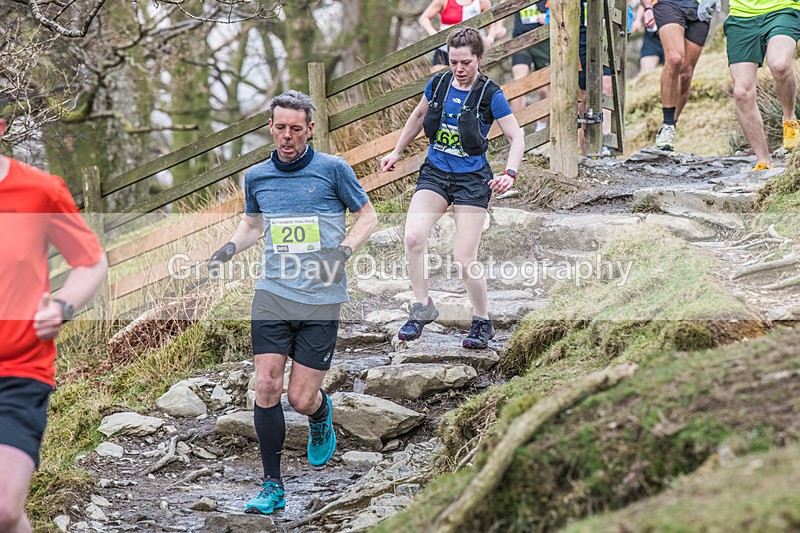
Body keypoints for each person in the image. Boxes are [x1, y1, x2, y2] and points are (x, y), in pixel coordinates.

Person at [208, 90, 377, 515]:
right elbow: (252, 223)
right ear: (270, 127)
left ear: (310, 129)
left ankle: (321, 415)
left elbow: (369, 216)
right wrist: (229, 248)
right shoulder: (258, 176)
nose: (287, 136)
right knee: (265, 386)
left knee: (301, 399)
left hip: (321, 297)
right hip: (273, 293)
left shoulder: (333, 170)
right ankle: (272, 485)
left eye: (296, 129)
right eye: (280, 127)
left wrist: (343, 251)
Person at [380, 27, 524, 350]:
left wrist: (509, 173)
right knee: (414, 237)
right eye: (453, 61)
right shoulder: (439, 84)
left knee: (463, 258)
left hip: (472, 180)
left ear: (479, 59)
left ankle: (482, 320)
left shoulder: (490, 94)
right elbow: (418, 115)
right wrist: (397, 151)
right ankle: (423, 307)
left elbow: (517, 137)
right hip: (435, 172)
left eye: (466, 63)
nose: (459, 69)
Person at [0, 116, 108, 533]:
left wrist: (62, 305)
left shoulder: (39, 189)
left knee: (5, 510)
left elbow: (91, 260)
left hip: (18, 370)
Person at [723, 0, 799, 170]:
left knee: (780, 65)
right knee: (741, 92)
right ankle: (763, 161)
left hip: (782, 8)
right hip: (741, 16)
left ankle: (789, 119)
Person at [640, 0, 712, 151]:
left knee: (686, 75)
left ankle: (671, 124)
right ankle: (667, 125)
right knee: (674, 59)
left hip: (699, 6)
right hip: (667, 3)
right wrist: (647, 8)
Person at [419, 0, 506, 73]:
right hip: (445, 51)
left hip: (471, 52)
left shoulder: (482, 1)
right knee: (438, 80)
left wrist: (490, 38)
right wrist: (435, 35)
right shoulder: (444, 1)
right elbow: (424, 18)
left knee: (469, 85)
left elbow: (491, 24)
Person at [510, 1, 550, 132]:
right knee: (519, 83)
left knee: (544, 90)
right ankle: (518, 131)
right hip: (520, 41)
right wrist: (495, 28)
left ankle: (541, 129)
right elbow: (501, 6)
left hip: (543, 40)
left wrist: (549, 18)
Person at [631, 2, 665, 74]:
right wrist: (638, 20)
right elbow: (643, 4)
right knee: (645, 72)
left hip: (671, 34)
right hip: (652, 36)